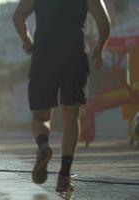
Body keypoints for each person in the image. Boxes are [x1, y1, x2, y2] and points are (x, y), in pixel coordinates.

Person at [13, 0, 110, 192]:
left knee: (40, 116)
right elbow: (104, 23)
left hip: (44, 55)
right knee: (71, 117)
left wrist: (28, 42)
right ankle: (64, 175)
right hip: (74, 56)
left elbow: (18, 17)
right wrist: (98, 49)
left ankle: (43, 145)